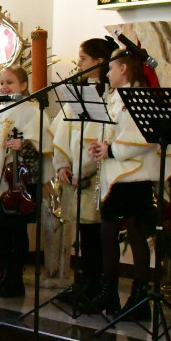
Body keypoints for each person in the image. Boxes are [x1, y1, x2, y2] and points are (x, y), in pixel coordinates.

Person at [87, 50, 171, 318]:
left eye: (111, 68)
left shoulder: (141, 96)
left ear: (125, 69)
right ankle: (111, 290)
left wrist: (112, 150)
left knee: (133, 232)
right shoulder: (116, 96)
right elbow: (113, 129)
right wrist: (101, 145)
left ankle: (138, 296)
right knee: (113, 230)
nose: (107, 74)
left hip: (134, 175)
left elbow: (141, 137)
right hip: (120, 174)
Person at [0, 65, 51, 297]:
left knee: (18, 231)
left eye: (10, 83)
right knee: (3, 231)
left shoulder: (33, 111)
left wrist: (25, 144)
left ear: (24, 86)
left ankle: (16, 279)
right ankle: (3, 276)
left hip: (22, 182)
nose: (4, 87)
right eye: (2, 82)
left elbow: (44, 142)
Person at [51, 39, 113, 307]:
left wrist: (87, 168)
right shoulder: (79, 94)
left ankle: (96, 285)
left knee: (97, 233)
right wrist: (63, 164)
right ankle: (83, 283)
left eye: (83, 60)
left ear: (99, 62)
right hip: (76, 175)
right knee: (84, 233)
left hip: (99, 174)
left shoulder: (110, 95)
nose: (78, 65)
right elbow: (64, 130)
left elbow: (106, 133)